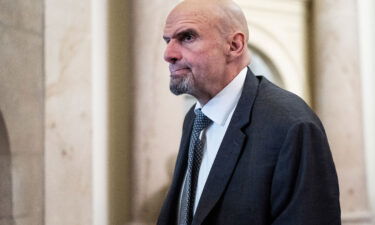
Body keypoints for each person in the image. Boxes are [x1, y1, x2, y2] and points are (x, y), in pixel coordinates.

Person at [157, 0, 341, 224]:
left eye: (187, 37)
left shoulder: (292, 125)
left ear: (234, 45)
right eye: (168, 41)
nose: (169, 54)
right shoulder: (195, 119)